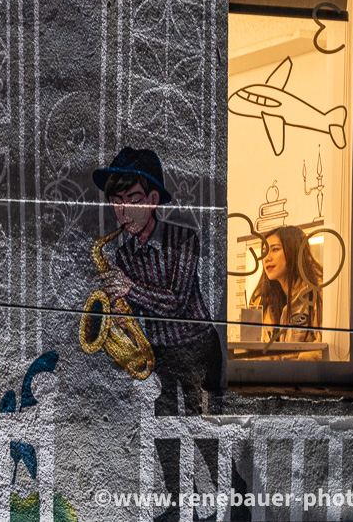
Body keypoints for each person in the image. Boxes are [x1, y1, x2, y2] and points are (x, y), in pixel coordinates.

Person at [92, 147, 225, 522]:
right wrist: (121, 316)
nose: (124, 212)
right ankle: (181, 503)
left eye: (133, 200)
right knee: (165, 432)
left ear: (152, 200)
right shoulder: (123, 255)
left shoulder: (184, 240)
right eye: (117, 202)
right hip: (161, 351)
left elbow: (176, 302)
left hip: (197, 349)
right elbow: (140, 309)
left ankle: (235, 499)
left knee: (203, 431)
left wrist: (130, 289)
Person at [251, 224, 323, 350]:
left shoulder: (317, 292)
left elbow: (326, 349)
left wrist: (293, 360)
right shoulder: (266, 301)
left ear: (293, 251)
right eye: (264, 252)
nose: (267, 258)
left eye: (275, 249)